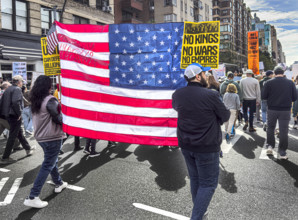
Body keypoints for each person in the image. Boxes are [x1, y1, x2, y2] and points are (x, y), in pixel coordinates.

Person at [172, 63, 230, 220]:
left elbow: (178, 109)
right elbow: (225, 116)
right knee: (208, 184)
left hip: (186, 144)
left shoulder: (177, 94)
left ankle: (201, 211)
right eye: (204, 74)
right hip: (206, 146)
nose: (206, 76)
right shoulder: (210, 95)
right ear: (198, 76)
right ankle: (197, 216)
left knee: (196, 180)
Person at [24, 75, 68, 208]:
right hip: (52, 137)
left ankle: (58, 183)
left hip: (41, 137)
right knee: (48, 163)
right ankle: (33, 196)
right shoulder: (50, 100)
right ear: (48, 86)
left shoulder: (36, 100)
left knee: (51, 160)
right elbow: (59, 118)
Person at [262, 66, 297, 160]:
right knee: (284, 131)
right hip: (285, 110)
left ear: (274, 73)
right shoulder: (290, 82)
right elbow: (294, 98)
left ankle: (270, 146)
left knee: (270, 128)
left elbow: (264, 96)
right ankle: (282, 152)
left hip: (272, 109)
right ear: (283, 72)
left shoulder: (268, 82)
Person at [0, 75, 35, 164]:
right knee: (13, 135)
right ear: (19, 82)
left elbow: (2, 102)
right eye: (22, 82)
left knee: (19, 133)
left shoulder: (8, 89)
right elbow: (15, 102)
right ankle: (5, 157)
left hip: (8, 114)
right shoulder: (17, 89)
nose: (22, 83)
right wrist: (19, 113)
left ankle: (28, 148)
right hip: (14, 115)